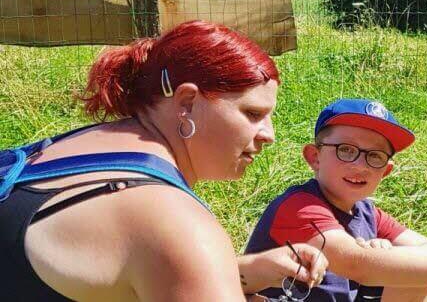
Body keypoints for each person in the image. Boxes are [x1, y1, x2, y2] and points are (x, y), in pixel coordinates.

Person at [0, 20, 327, 301]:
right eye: (252, 114)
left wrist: (236, 272)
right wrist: (208, 268)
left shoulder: (76, 147)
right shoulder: (173, 223)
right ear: (186, 102)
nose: (268, 134)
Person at [245, 99, 427, 302]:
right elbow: (355, 263)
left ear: (386, 171)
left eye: (374, 156)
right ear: (315, 157)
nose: (361, 165)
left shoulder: (367, 213)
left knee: (417, 276)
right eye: (346, 150)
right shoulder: (300, 207)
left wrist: (391, 254)